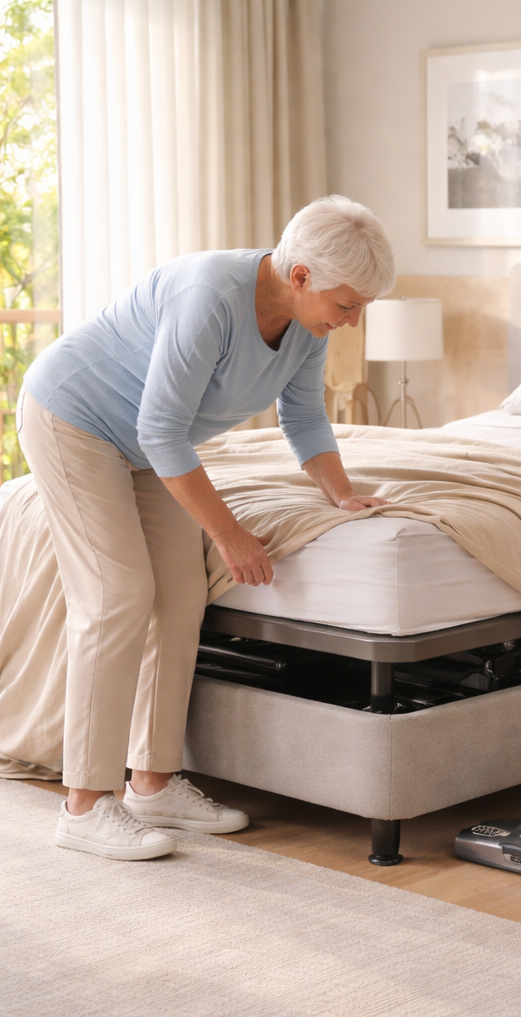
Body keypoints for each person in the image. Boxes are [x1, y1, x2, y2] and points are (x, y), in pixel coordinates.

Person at [16, 195, 396, 859]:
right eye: (347, 304)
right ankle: (84, 805)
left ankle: (152, 783)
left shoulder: (306, 327)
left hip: (148, 444)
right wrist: (229, 534)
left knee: (182, 594)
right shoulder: (209, 298)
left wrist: (341, 494)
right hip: (75, 418)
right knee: (117, 594)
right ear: (301, 275)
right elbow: (162, 428)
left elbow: (303, 415)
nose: (352, 320)